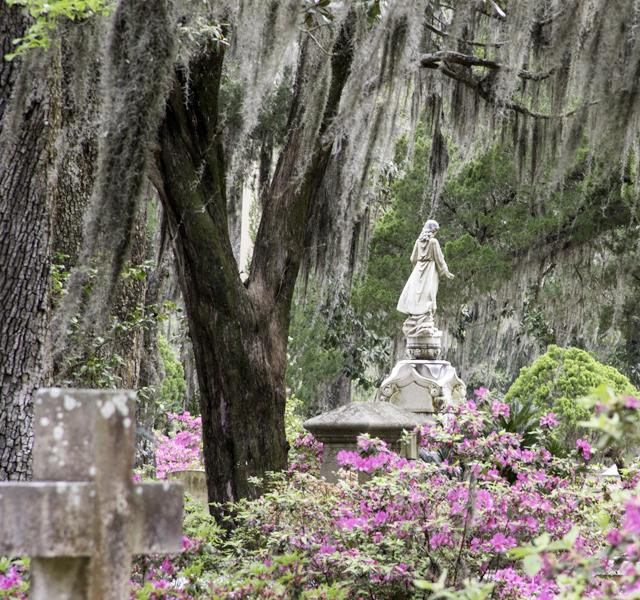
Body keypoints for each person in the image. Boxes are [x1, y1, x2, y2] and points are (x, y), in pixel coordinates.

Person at [397, 219, 454, 316]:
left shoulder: (418, 242)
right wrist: (446, 271)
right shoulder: (433, 242)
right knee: (429, 292)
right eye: (435, 230)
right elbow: (439, 259)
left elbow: (412, 258)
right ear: (433, 230)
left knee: (416, 293)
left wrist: (417, 266)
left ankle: (416, 315)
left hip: (418, 269)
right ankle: (427, 313)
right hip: (430, 270)